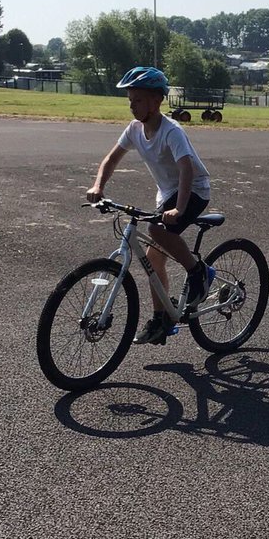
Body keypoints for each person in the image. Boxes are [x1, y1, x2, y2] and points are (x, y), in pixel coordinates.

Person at [86, 66, 212, 345]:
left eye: (138, 100)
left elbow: (187, 171)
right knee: (153, 260)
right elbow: (111, 159)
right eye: (130, 101)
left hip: (193, 191)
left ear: (157, 101)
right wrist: (99, 186)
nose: (132, 106)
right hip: (166, 194)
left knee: (157, 231)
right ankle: (162, 319)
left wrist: (179, 209)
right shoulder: (134, 130)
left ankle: (198, 271)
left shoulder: (172, 132)